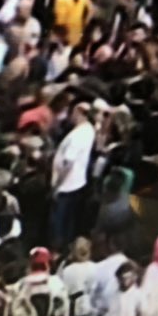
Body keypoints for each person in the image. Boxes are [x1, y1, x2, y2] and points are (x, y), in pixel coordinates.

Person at [50, 103, 95, 250]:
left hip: (66, 184)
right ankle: (66, 247)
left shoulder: (77, 136)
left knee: (59, 223)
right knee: (70, 221)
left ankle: (57, 250)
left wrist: (57, 184)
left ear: (80, 113)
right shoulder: (89, 129)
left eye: (73, 112)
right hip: (78, 182)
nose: (71, 116)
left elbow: (68, 162)